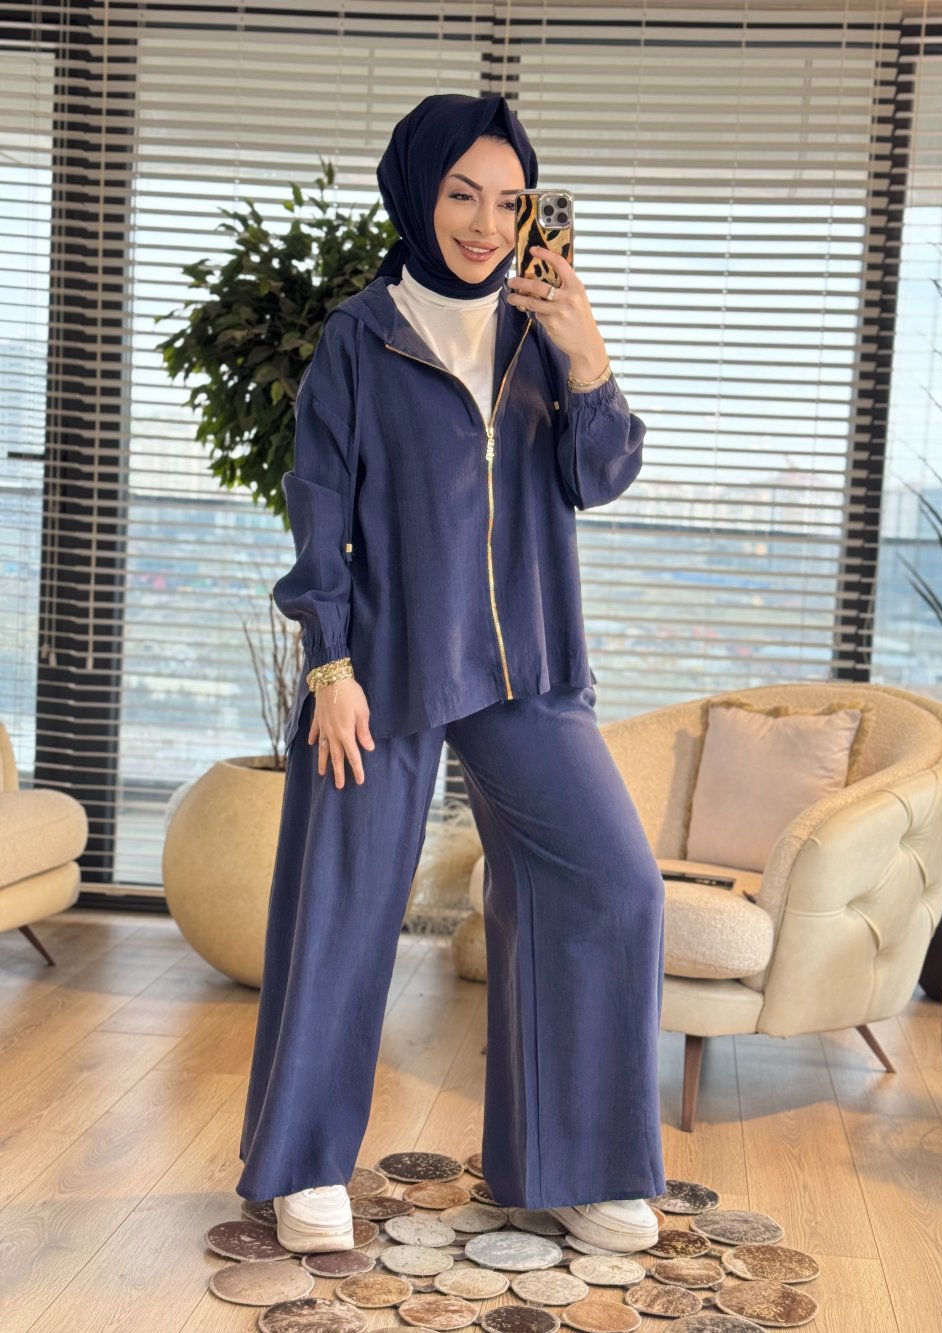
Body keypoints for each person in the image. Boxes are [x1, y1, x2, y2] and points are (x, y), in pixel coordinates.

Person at [237, 93, 667, 1258]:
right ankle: (303, 1163)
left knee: (612, 883)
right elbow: (318, 508)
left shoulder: (538, 327)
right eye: (461, 194)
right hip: (382, 663)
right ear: (417, 193)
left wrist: (584, 348)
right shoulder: (360, 337)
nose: (485, 224)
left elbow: (599, 477)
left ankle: (576, 1167)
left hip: (529, 663)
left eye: (509, 200)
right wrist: (328, 662)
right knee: (341, 902)